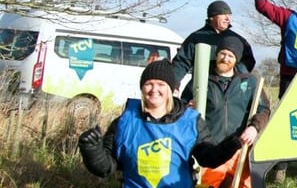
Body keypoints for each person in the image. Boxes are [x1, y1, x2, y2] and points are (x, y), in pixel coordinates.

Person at [78, 60, 241, 187]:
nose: (154, 89)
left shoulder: (191, 121)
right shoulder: (124, 121)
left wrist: (227, 147)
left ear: (170, 89)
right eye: (149, 84)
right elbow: (106, 168)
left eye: (161, 84)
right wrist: (91, 149)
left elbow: (208, 158)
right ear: (142, 88)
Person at [181, 37, 272, 188]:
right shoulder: (201, 80)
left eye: (231, 56)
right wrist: (187, 108)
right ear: (216, 55)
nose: (225, 58)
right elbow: (181, 107)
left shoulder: (249, 82)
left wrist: (254, 128)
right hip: (210, 149)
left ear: (236, 60)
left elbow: (264, 109)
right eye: (222, 53)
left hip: (239, 147)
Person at [172, 0, 256, 85]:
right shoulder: (196, 38)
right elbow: (181, 63)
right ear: (211, 17)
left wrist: (234, 75)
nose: (227, 19)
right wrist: (173, 84)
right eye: (223, 14)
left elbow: (248, 62)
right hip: (202, 87)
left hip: (230, 88)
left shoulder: (238, 40)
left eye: (229, 15)